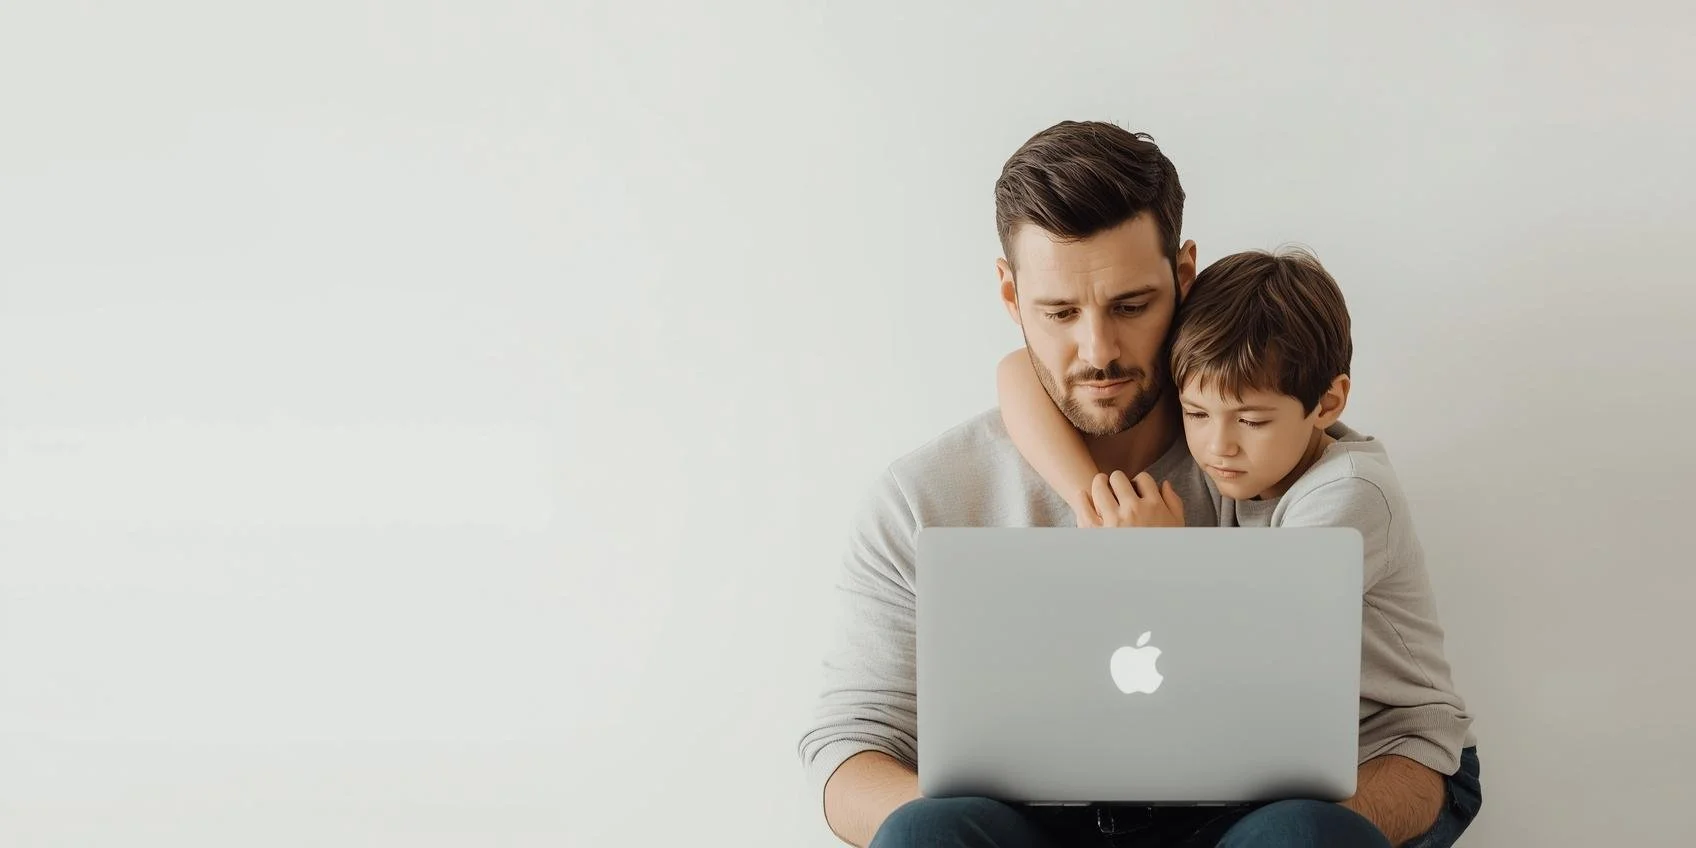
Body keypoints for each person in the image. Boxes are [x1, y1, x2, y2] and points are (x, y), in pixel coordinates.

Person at [796, 121, 1478, 847]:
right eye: (1059, 313)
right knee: (923, 833)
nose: (1099, 352)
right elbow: (849, 744)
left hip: (1262, 820)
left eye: (1131, 306)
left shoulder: (1262, 456)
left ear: (1184, 276)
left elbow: (1416, 733)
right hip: (1031, 828)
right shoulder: (923, 496)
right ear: (1009, 292)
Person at [996, 247, 1483, 846]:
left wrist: (1166, 564)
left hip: (1394, 750)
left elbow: (1261, 655)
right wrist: (1091, 501)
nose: (1215, 446)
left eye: (1250, 421)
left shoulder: (1348, 493)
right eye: (1193, 412)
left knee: (1290, 835)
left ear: (1327, 404)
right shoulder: (1239, 458)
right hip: (1274, 766)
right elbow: (1018, 371)